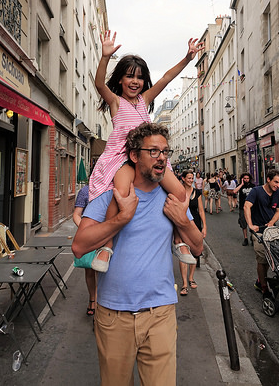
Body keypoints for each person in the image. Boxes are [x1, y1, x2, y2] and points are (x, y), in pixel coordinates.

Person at [72, 123, 204, 386]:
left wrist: (185, 222)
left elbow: (198, 248)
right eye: (153, 151)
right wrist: (121, 218)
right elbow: (79, 245)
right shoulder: (112, 197)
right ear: (134, 156)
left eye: (165, 152)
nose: (162, 157)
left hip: (161, 314)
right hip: (113, 315)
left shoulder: (171, 199)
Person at [90, 30, 204, 271]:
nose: (135, 81)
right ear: (120, 79)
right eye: (129, 76)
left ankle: (178, 240)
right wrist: (104, 57)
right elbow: (99, 83)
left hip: (150, 158)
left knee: (181, 194)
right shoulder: (115, 102)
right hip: (123, 159)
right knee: (120, 193)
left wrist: (187, 58)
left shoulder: (144, 100)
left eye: (140, 78)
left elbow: (165, 78)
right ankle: (106, 246)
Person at [244, 170, 279, 297]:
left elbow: (278, 211)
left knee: (270, 259)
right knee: (262, 259)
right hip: (259, 231)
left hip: (271, 232)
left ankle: (260, 280)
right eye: (275, 182)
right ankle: (263, 287)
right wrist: (250, 225)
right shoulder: (256, 191)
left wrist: (272, 222)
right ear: (268, 179)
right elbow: (246, 206)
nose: (277, 185)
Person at [179, 170, 207, 296]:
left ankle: (191, 278)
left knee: (195, 252)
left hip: (195, 225)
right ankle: (184, 284)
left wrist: (204, 226)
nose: (191, 180)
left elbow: (201, 211)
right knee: (183, 252)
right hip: (182, 225)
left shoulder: (197, 192)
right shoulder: (179, 191)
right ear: (183, 178)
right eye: (189, 178)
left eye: (192, 178)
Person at [73, 184, 97, 316]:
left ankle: (100, 304)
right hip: (89, 237)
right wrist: (85, 230)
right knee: (89, 270)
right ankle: (92, 298)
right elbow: (77, 214)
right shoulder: (85, 191)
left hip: (109, 235)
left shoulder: (114, 188)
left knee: (103, 272)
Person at [233, 173, 255, 246]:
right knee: (243, 223)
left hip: (252, 208)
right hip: (243, 207)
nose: (246, 180)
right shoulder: (240, 186)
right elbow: (234, 191)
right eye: (244, 178)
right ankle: (245, 238)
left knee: (252, 222)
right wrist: (241, 184)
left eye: (247, 178)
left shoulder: (253, 186)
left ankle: (252, 237)